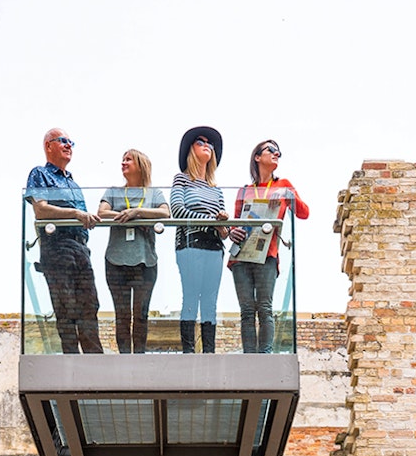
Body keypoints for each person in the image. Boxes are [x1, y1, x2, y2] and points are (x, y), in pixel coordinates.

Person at [227, 139, 309, 353]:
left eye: (279, 152)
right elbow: (236, 222)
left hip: (267, 255)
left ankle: (265, 356)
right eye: (271, 150)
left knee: (264, 308)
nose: (276, 154)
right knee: (246, 310)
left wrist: (288, 194)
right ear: (257, 157)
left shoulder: (283, 185)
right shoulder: (244, 190)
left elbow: (304, 213)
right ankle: (249, 357)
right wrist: (231, 232)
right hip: (242, 256)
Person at [24, 128, 102, 354]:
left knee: (90, 303)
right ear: (48, 146)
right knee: (66, 304)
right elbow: (41, 209)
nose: (69, 145)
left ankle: (94, 360)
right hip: (57, 245)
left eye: (71, 142)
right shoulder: (40, 173)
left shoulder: (74, 183)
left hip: (80, 247)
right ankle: (71, 359)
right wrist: (75, 214)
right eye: (63, 141)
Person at [98, 150, 169, 353]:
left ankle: (139, 358)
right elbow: (102, 213)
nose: (123, 162)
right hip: (115, 261)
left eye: (129, 159)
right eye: (123, 159)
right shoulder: (113, 191)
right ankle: (123, 360)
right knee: (121, 315)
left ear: (141, 165)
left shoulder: (154, 193)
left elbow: (165, 212)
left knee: (141, 315)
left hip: (145, 263)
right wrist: (126, 216)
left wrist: (137, 212)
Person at [170, 126, 230, 353]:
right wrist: (211, 221)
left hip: (214, 247)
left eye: (210, 143)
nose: (207, 145)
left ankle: (209, 352)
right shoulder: (182, 179)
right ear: (190, 150)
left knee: (210, 302)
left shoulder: (217, 190)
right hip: (190, 244)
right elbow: (177, 210)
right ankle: (188, 352)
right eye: (200, 141)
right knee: (191, 297)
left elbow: (223, 229)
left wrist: (223, 224)